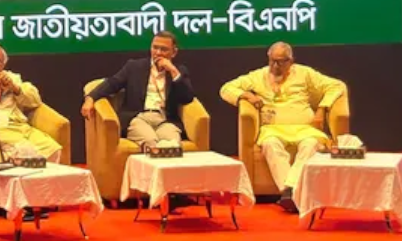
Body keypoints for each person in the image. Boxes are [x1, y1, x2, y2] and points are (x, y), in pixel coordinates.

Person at [219, 41, 346, 212]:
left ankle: (289, 191)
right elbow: (226, 89)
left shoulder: (304, 73)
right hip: (273, 129)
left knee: (310, 145)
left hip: (304, 128)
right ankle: (290, 192)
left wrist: (322, 108)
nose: (275, 66)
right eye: (272, 61)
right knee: (270, 144)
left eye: (280, 62)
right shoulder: (258, 76)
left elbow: (337, 86)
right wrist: (246, 95)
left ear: (290, 61)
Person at [81, 31, 195, 150]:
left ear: (174, 52)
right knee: (151, 143)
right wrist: (91, 98)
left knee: (172, 145)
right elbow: (112, 83)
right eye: (155, 48)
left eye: (164, 49)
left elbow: (187, 97)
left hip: (165, 120)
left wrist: (173, 71)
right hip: (139, 118)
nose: (158, 53)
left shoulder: (179, 71)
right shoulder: (134, 67)